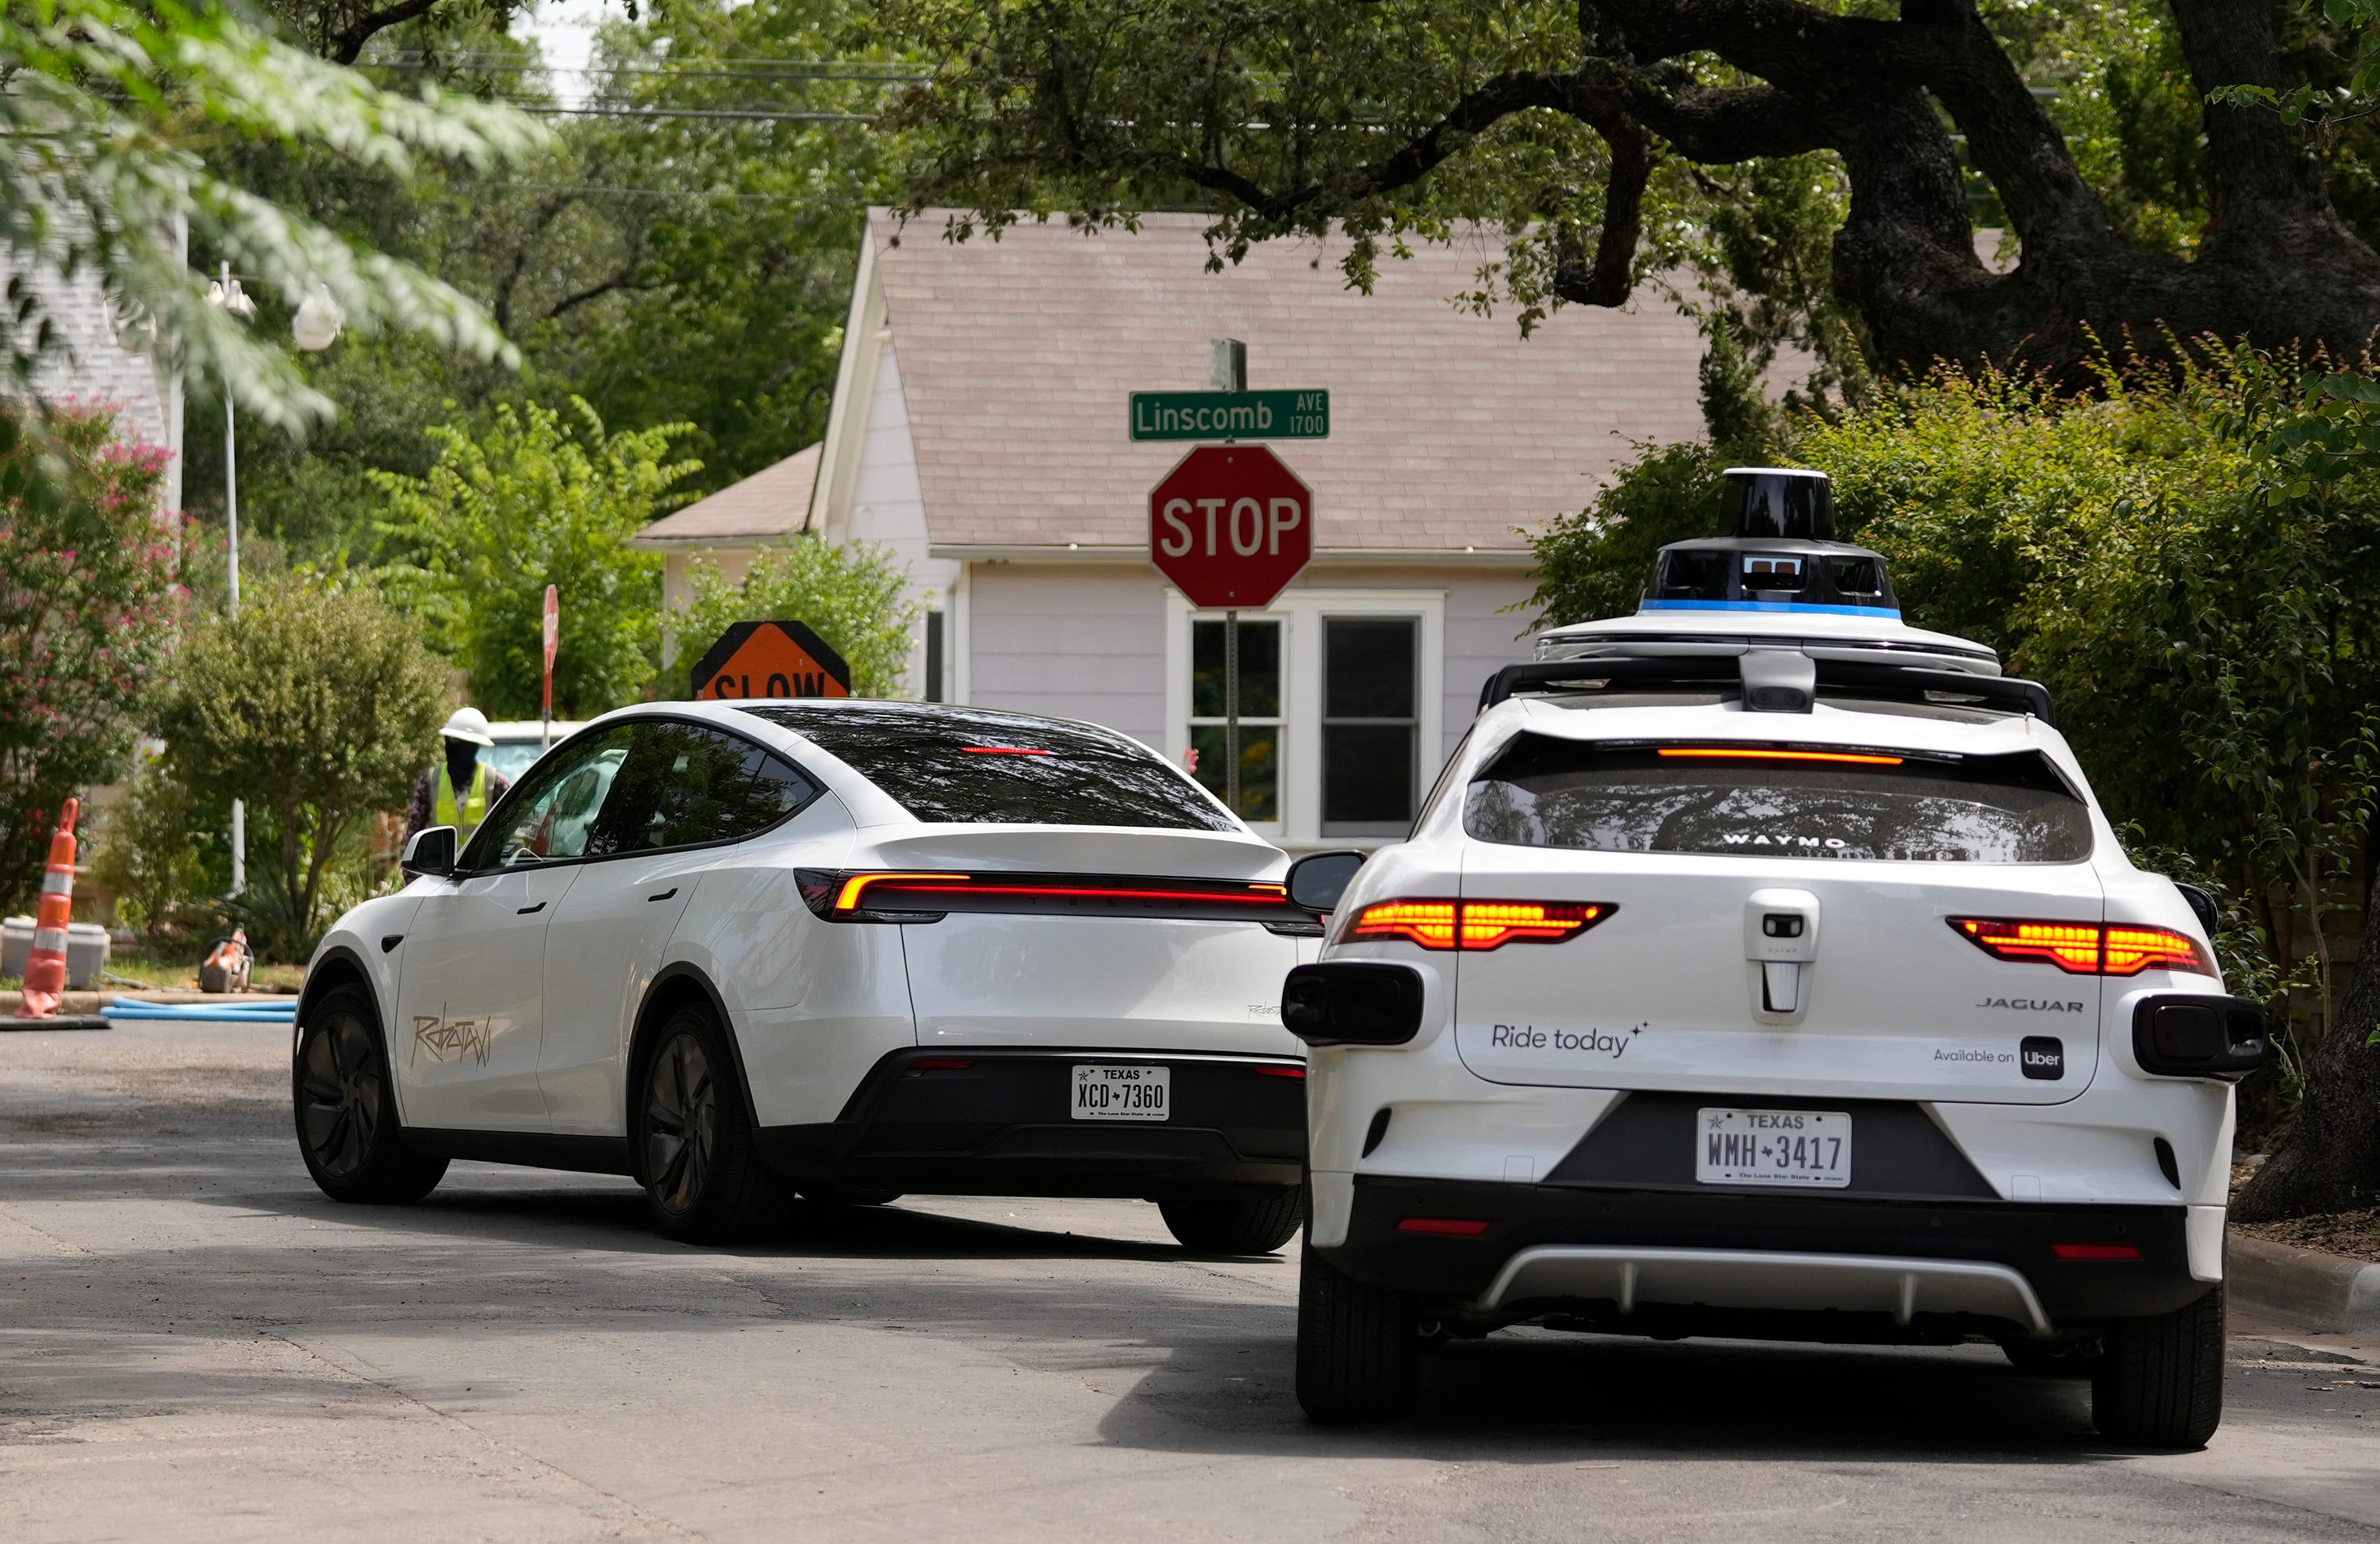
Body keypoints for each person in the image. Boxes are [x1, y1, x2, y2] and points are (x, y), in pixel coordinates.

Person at [405, 708, 512, 844]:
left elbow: (519, 816)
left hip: (478, 859)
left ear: (474, 747)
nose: (452, 747)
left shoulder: (494, 782)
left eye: (461, 743)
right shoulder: (430, 781)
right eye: (450, 740)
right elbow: (414, 831)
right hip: (441, 859)